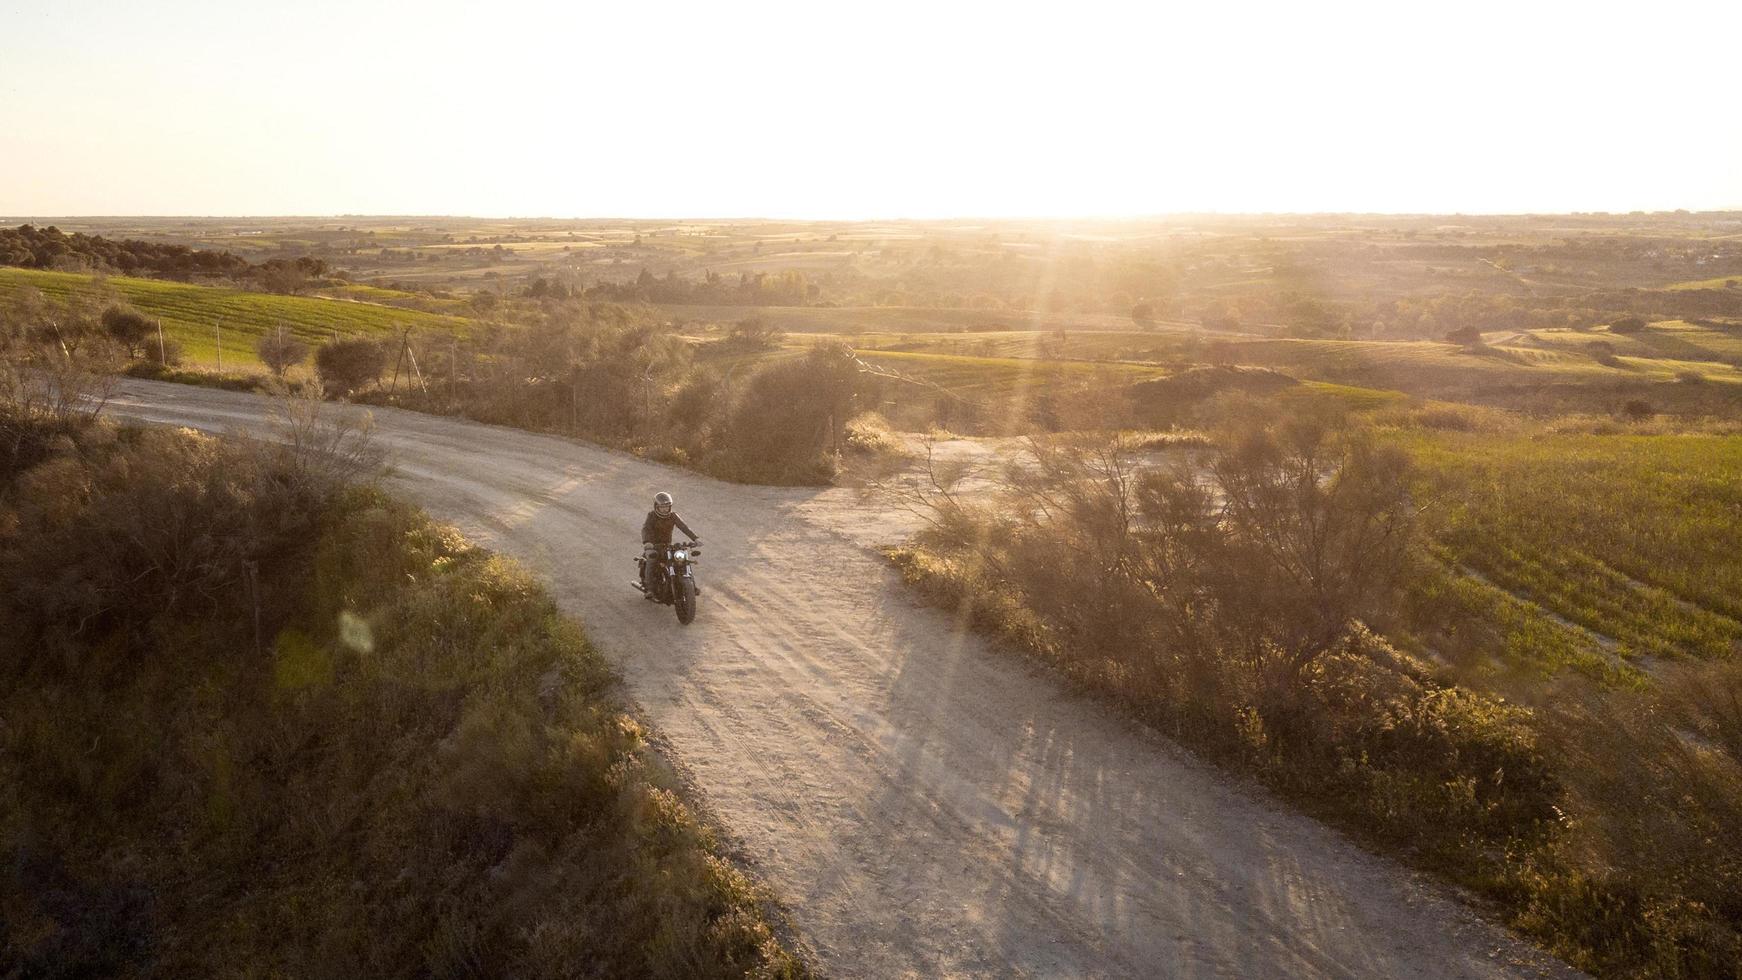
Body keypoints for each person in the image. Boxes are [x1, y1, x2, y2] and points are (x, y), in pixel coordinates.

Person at [640, 491, 698, 596]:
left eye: (667, 506)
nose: (665, 509)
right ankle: (650, 589)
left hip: (667, 545)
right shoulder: (652, 516)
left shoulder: (673, 516)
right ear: (656, 506)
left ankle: (692, 586)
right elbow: (646, 529)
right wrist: (647, 542)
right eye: (662, 506)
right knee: (652, 560)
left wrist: (695, 539)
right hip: (654, 546)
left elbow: (684, 527)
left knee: (683, 560)